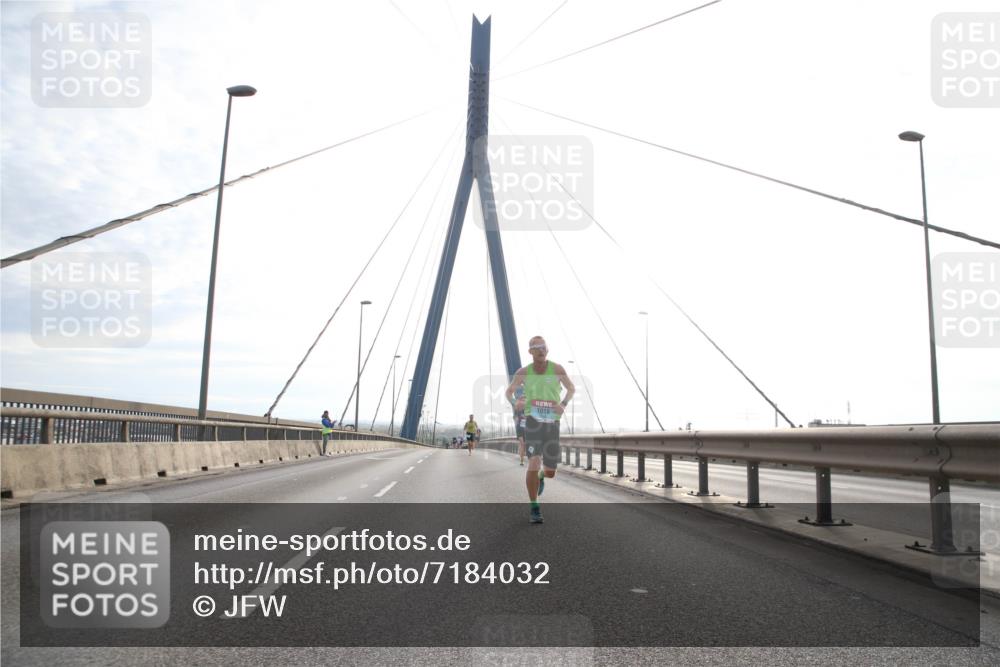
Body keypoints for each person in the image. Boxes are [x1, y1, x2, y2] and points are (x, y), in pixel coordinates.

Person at [505, 336, 575, 524]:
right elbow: (509, 392)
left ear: (547, 349)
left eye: (543, 347)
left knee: (550, 471)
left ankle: (542, 477)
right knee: (534, 463)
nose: (541, 350)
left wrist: (563, 404)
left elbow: (571, 388)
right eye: (536, 347)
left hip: (552, 423)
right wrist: (515, 403)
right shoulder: (523, 372)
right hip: (533, 422)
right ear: (530, 352)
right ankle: (534, 507)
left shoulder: (558, 369)